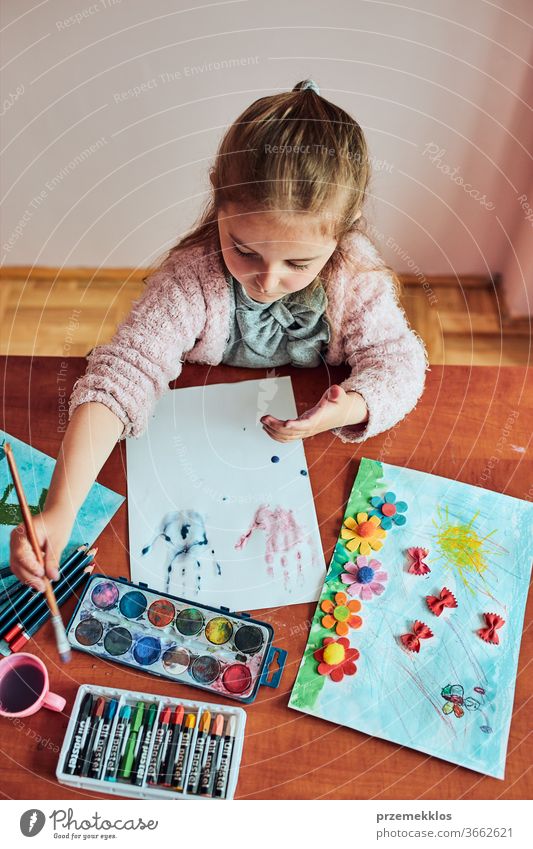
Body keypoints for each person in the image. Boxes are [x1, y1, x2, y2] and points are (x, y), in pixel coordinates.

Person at [9, 79, 428, 591]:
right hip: (196, 425)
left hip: (316, 461)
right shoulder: (192, 279)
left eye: (298, 262)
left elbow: (401, 365)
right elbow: (123, 376)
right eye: (245, 249)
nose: (268, 281)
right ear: (220, 200)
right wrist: (59, 509)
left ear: (345, 230)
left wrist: (347, 407)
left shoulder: (355, 279)